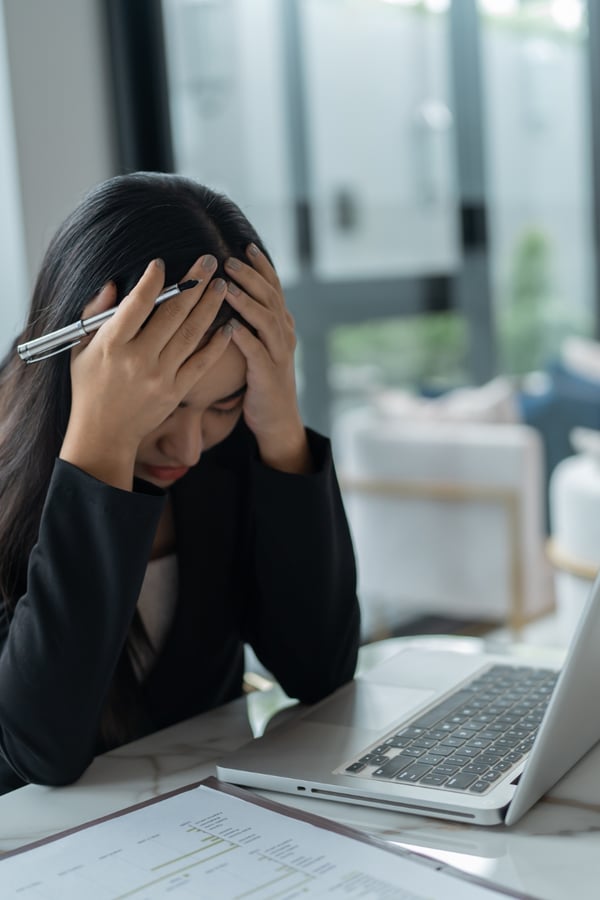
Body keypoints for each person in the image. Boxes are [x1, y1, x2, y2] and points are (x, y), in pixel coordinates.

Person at [0, 171, 360, 795]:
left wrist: (279, 427)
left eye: (223, 405)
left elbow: (320, 671)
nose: (188, 448)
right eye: (165, 407)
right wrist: (100, 445)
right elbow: (40, 752)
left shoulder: (233, 451)